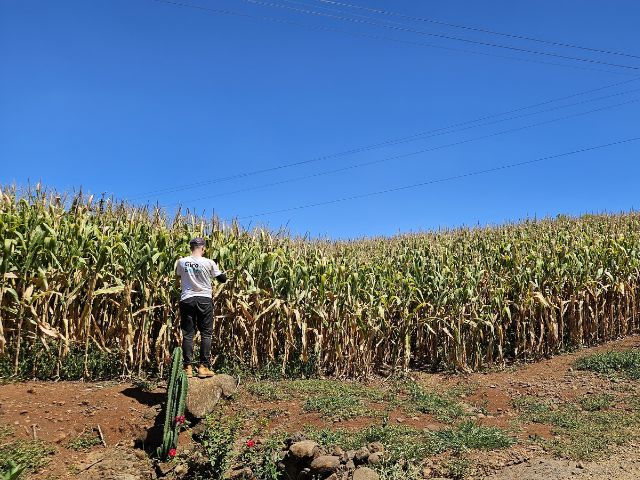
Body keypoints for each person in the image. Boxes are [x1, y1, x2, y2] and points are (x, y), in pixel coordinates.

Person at [175, 237, 227, 378]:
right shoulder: (209, 262)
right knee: (206, 333)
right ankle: (203, 367)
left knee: (188, 334)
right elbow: (222, 279)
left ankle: (188, 368)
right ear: (203, 248)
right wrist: (223, 272)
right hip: (204, 299)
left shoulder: (181, 261)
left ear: (191, 248)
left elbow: (179, 276)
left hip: (187, 299)